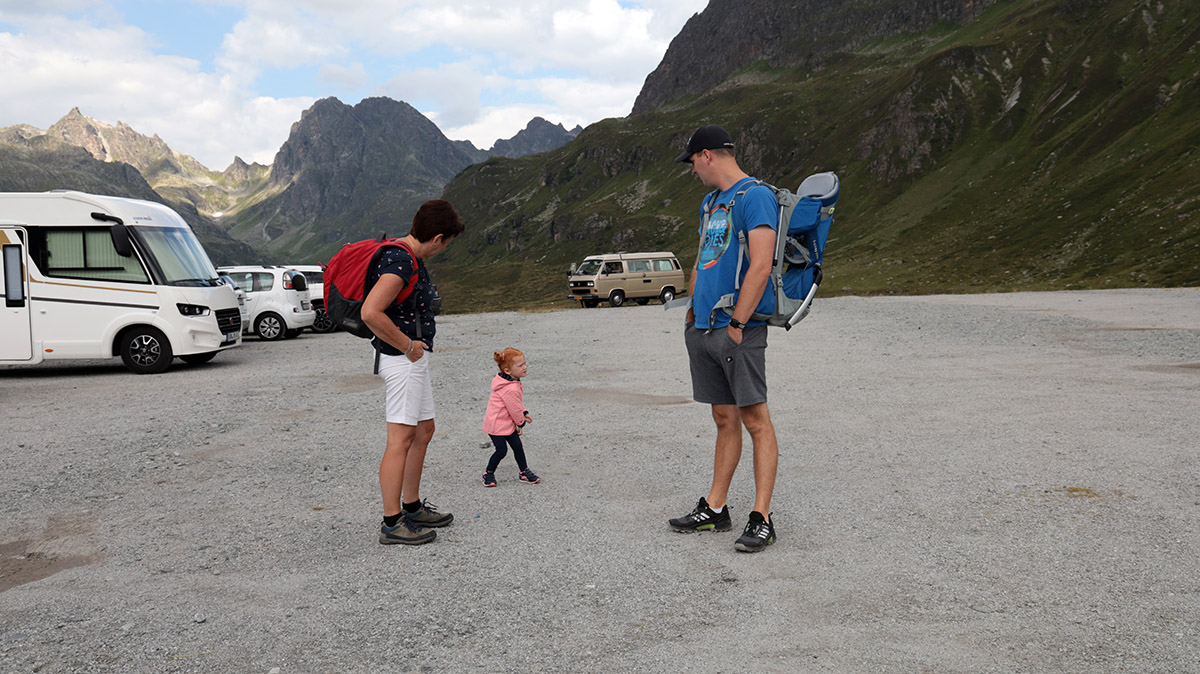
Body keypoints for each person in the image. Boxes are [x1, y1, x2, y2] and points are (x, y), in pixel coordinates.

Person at [668, 125, 780, 553]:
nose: (692, 170)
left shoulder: (756, 197)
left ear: (707, 156)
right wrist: (693, 307)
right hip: (704, 326)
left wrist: (738, 323)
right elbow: (704, 255)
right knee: (723, 418)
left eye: (692, 162)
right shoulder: (711, 202)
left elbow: (761, 265)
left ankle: (762, 516)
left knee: (755, 419)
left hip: (738, 328)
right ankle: (715, 508)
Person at [362, 199, 464, 546]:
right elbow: (371, 312)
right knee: (400, 439)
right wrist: (408, 347)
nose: (444, 248)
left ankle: (412, 506)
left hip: (413, 359)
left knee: (423, 431)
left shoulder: (408, 258)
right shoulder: (401, 261)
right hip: (402, 359)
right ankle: (392, 522)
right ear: (437, 238)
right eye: (447, 242)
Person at [481, 347, 540, 487]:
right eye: (520, 365)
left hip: (506, 423)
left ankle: (524, 471)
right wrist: (520, 423)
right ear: (507, 371)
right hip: (496, 425)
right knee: (501, 451)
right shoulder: (510, 388)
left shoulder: (510, 382)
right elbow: (513, 409)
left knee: (518, 447)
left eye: (525, 363)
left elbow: (515, 404)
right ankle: (488, 473)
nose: (525, 367)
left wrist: (524, 412)